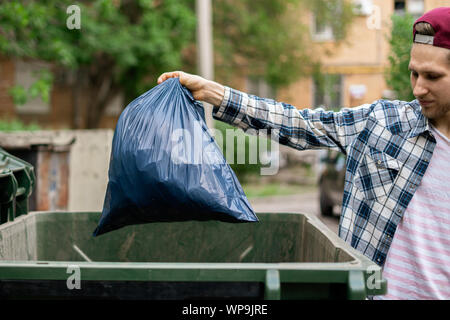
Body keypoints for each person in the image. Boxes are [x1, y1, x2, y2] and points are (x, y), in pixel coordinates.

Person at [157, 7, 450, 299]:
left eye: (432, 77)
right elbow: (299, 123)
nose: (418, 88)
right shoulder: (383, 124)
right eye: (414, 74)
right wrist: (214, 93)